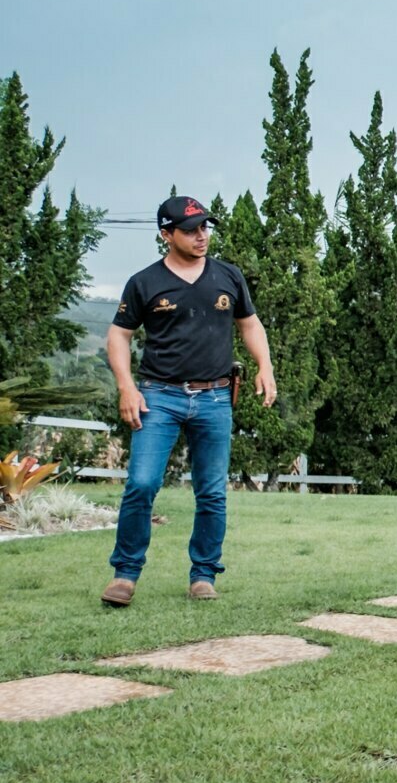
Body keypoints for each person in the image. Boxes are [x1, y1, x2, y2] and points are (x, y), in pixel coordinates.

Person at [101, 195, 276, 606]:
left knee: (212, 491)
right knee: (142, 484)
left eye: (205, 228)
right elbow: (118, 336)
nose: (202, 236)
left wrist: (264, 366)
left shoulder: (228, 276)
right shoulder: (144, 282)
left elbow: (250, 326)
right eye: (191, 230)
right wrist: (127, 387)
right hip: (158, 397)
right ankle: (124, 575)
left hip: (215, 397)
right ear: (166, 234)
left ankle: (203, 575)